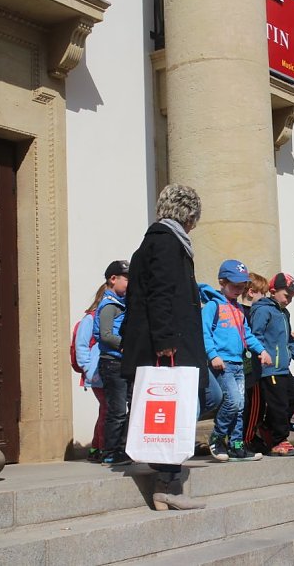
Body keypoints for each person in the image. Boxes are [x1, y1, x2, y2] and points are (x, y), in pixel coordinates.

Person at [120, 183, 207, 511]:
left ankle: (166, 481)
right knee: (180, 408)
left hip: (162, 341)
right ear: (188, 214)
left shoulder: (153, 242)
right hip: (169, 344)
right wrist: (167, 341)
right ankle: (168, 485)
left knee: (182, 405)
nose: (194, 224)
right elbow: (161, 295)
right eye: (195, 217)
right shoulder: (169, 243)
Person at [200, 260, 272, 462]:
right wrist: (213, 355)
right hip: (223, 364)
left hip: (239, 364)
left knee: (240, 406)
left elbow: (247, 334)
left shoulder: (239, 309)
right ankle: (216, 436)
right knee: (232, 402)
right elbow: (204, 332)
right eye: (235, 285)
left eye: (242, 286)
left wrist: (261, 350)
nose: (239, 289)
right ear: (222, 282)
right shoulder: (213, 306)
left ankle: (237, 445)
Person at [250, 272, 294, 457]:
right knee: (279, 404)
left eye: (292, 297)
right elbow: (254, 335)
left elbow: (288, 340)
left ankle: (267, 427)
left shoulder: (284, 313)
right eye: (287, 295)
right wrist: (261, 353)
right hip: (269, 368)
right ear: (273, 291)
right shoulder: (263, 310)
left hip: (283, 367)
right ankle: (278, 441)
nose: (289, 299)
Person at [95, 260, 130, 466]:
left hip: (121, 363)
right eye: (127, 279)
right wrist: (124, 345)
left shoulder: (121, 302)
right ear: (113, 279)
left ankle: (122, 448)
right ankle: (110, 451)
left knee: (127, 407)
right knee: (116, 410)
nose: (129, 283)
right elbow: (106, 335)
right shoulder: (109, 305)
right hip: (112, 363)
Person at [73, 283, 107, 462]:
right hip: (96, 373)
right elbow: (81, 346)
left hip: (106, 371)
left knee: (106, 409)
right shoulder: (90, 319)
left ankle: (96, 447)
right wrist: (88, 369)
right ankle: (102, 448)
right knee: (108, 409)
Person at [238, 272, 269, 450]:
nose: (264, 298)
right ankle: (247, 438)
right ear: (251, 292)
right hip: (249, 364)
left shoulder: (244, 311)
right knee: (253, 401)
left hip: (247, 362)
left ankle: (247, 436)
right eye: (262, 294)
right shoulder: (246, 311)